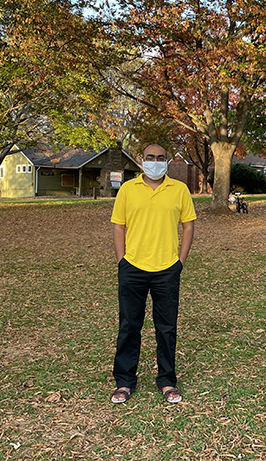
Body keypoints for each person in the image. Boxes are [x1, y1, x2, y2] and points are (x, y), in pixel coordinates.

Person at [110, 144, 196, 404]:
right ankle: (125, 381)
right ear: (141, 160)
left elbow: (189, 226)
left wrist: (179, 262)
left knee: (167, 328)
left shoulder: (179, 189)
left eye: (160, 158)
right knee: (129, 325)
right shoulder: (127, 189)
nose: (155, 162)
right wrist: (122, 261)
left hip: (167, 269)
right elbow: (118, 226)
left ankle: (167, 380)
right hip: (133, 268)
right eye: (150, 158)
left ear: (167, 161)